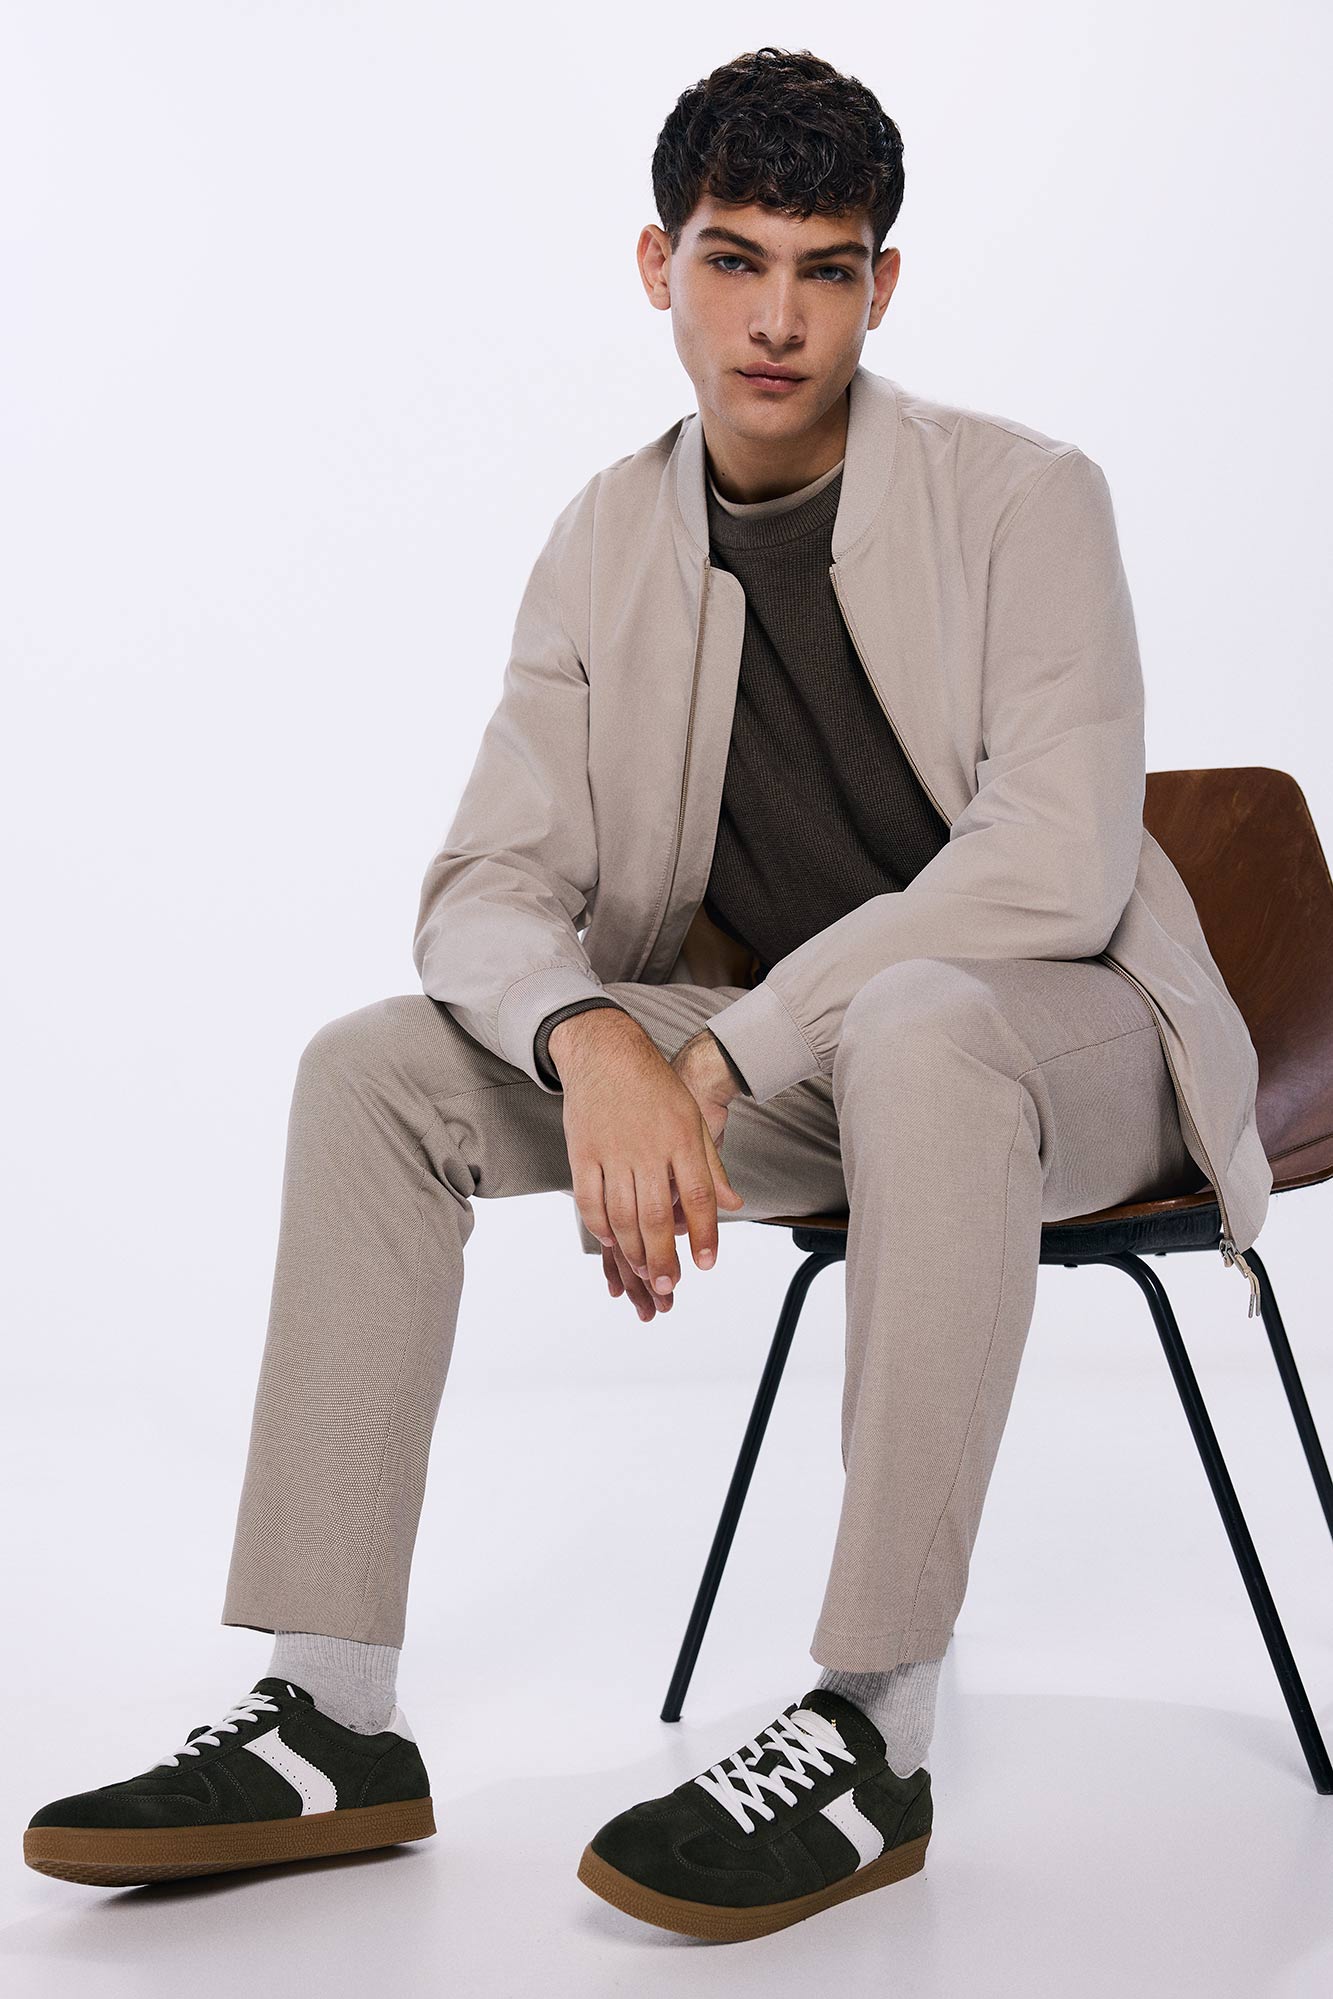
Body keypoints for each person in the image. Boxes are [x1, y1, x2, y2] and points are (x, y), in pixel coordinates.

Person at [24, 45, 1269, 1942]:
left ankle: (871, 1733)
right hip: (788, 1069)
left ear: (882, 286)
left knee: (923, 1022)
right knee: (372, 1072)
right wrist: (597, 1041)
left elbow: (1049, 866)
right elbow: (483, 888)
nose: (776, 319)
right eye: (733, 259)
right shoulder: (604, 537)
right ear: (655, 265)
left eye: (826, 270)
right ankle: (330, 1717)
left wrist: (723, 1058)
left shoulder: (1026, 497)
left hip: (1060, 1045)